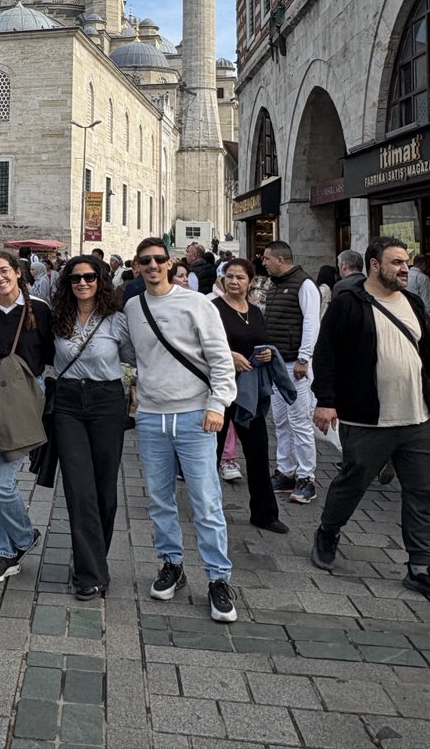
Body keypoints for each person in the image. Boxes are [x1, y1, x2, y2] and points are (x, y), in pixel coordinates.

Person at [124, 237, 238, 622]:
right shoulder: (133, 307)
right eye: (146, 261)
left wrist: (218, 404)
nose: (153, 266)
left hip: (194, 414)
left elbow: (220, 357)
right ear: (137, 266)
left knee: (206, 501)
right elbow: (130, 353)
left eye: (159, 259)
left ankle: (218, 578)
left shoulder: (196, 303)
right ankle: (171, 563)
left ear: (170, 263)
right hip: (152, 416)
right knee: (159, 498)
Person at [310, 237, 430, 599]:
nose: (405, 268)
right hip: (367, 419)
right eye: (396, 262)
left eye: (406, 262)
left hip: (417, 418)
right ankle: (328, 532)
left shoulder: (413, 302)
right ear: (375, 265)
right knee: (353, 481)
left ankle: (420, 565)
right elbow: (326, 353)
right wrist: (326, 401)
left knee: (422, 492)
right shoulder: (349, 303)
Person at [50, 253, 133, 600]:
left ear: (101, 279)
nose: (82, 283)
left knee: (104, 492)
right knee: (78, 488)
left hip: (107, 402)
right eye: (75, 278)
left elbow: (135, 357)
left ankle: (93, 558)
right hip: (67, 402)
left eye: (89, 277)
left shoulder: (116, 321)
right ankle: (89, 573)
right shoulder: (58, 318)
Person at [0, 251, 53, 584]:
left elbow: (50, 353)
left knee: (0, 483)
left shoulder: (39, 308)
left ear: (18, 272)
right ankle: (5, 553)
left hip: (24, 397)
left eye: (4, 271)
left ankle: (22, 538)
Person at [213, 258, 290, 533]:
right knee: (211, 452)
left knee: (258, 451)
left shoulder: (255, 311)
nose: (234, 281)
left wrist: (267, 352)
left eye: (240, 277)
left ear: (249, 281)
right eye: (229, 276)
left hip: (249, 392)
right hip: (220, 391)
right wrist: (228, 356)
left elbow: (261, 339)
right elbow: (203, 346)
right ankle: (207, 512)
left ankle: (265, 513)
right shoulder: (213, 309)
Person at [262, 240, 321, 505]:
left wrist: (303, 358)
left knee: (300, 422)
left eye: (266, 258)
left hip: (294, 365)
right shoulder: (274, 285)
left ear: (280, 260)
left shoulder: (304, 285)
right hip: (276, 363)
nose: (263, 262)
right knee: (281, 421)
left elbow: (311, 322)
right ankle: (285, 471)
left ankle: (306, 477)